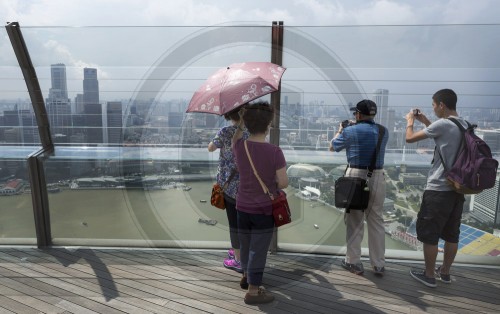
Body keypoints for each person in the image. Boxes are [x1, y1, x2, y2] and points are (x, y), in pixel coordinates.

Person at [405, 88, 466, 288]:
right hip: (457, 189)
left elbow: (410, 139)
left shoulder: (442, 124)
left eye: (433, 106)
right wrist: (425, 121)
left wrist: (410, 122)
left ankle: (429, 275)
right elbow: (442, 137)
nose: (433, 110)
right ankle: (445, 272)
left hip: (439, 188)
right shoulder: (464, 124)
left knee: (430, 234)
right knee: (451, 234)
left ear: (441, 105)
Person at [232, 101, 288, 305]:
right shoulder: (274, 151)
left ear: (247, 123)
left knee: (245, 245)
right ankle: (254, 292)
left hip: (242, 206)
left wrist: (241, 121)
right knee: (259, 249)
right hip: (263, 210)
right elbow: (283, 182)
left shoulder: (239, 146)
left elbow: (235, 137)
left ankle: (247, 276)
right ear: (269, 124)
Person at [329, 99, 389, 276]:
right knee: (376, 221)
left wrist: (341, 129)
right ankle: (378, 264)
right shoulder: (383, 132)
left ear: (359, 114)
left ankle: (354, 262)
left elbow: (333, 147)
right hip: (377, 176)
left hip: (355, 177)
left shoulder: (349, 130)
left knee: (355, 221)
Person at [208, 107, 248, 273]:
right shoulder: (252, 133)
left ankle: (238, 260)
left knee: (234, 224)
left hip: (229, 186)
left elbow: (210, 148)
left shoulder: (224, 131)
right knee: (245, 222)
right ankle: (242, 252)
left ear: (228, 115)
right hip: (248, 185)